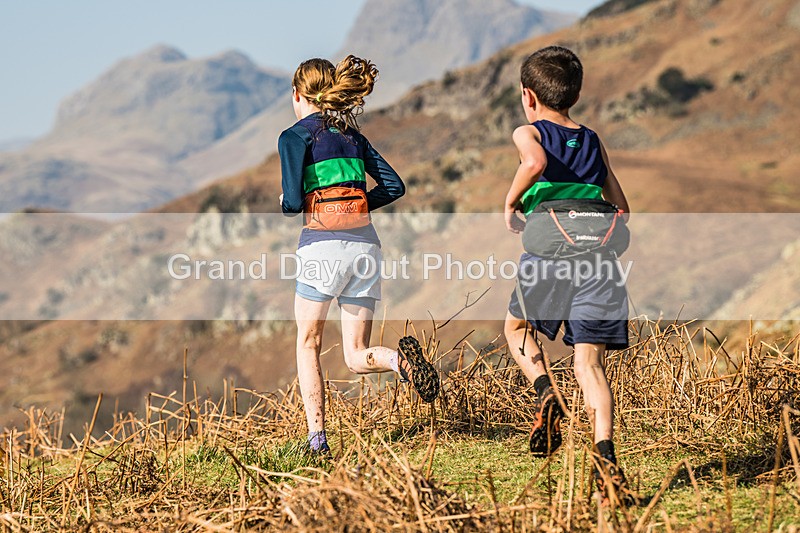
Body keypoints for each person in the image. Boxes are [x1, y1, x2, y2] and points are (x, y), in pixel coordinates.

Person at [279, 55, 440, 455]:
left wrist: (288, 200)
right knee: (354, 355)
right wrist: (357, 205)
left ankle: (317, 441)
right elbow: (394, 186)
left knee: (308, 343)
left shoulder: (294, 137)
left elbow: (294, 200)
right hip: (366, 246)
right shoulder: (352, 135)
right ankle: (401, 364)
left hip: (322, 247)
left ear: (298, 95)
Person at [502, 46, 638, 506]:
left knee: (517, 328)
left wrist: (511, 203)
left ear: (529, 95)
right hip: (598, 259)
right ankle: (607, 467)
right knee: (590, 365)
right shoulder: (594, 140)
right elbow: (621, 206)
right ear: (573, 95)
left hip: (550, 252)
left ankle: (545, 393)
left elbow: (535, 164)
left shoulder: (528, 132)